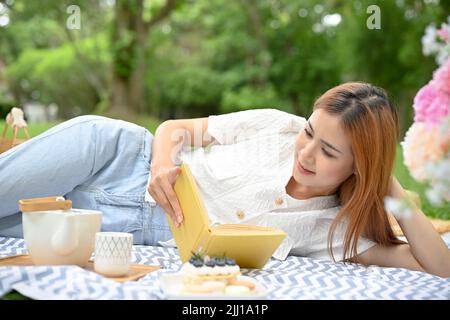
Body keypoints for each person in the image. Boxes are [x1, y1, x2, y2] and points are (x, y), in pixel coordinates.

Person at [0, 82, 449, 277]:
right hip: (114, 156)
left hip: (124, 227)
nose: (306, 153)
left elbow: (439, 267)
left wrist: (385, 183)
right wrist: (161, 166)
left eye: (329, 152)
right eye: (309, 133)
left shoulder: (334, 230)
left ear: (359, 167)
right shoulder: (275, 124)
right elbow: (174, 129)